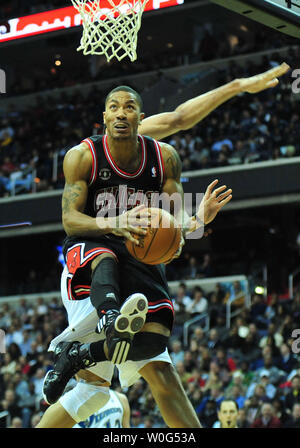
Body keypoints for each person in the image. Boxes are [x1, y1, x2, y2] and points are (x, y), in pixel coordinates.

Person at [39, 62, 290, 429]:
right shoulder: (87, 154)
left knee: (115, 385)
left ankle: (83, 352)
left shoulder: (159, 153)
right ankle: (108, 321)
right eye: (114, 107)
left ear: (140, 117)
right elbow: (69, 220)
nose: (122, 114)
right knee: (106, 259)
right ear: (104, 117)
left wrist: (196, 220)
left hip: (138, 261)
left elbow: (179, 120)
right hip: (93, 257)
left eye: (130, 108)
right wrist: (116, 223)